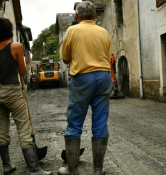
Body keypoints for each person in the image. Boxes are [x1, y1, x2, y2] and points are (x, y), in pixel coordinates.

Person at [0, 17, 53, 175]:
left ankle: (7, 166)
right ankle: (34, 169)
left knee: (3, 131)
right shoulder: (16, 46)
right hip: (12, 91)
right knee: (24, 129)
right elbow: (23, 72)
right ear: (10, 30)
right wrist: (23, 60)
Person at [58, 1, 113, 175]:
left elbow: (65, 59)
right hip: (103, 77)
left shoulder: (72, 31)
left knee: (74, 123)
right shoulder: (103, 32)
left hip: (82, 78)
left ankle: (72, 170)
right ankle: (98, 170)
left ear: (77, 16)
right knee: (100, 121)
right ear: (95, 15)